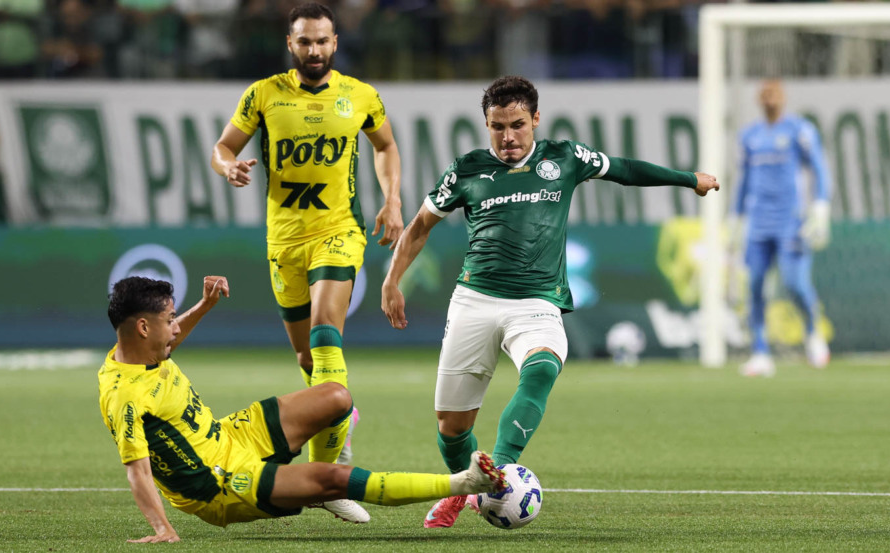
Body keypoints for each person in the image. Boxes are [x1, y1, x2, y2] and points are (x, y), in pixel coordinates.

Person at [381, 75, 719, 528]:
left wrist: (688, 180)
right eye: (497, 127)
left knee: (542, 366)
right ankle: (463, 488)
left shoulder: (565, 158)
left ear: (535, 119)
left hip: (537, 302)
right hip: (474, 301)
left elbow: (624, 169)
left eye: (517, 125)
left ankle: (496, 473)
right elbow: (420, 226)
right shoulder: (466, 169)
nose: (507, 137)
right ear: (486, 125)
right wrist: (391, 281)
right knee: (451, 427)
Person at [98, 275, 505, 543]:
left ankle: (322, 490)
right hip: (218, 483)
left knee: (336, 397)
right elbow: (138, 470)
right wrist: (163, 528)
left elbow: (168, 344)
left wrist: (204, 305)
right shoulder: (123, 395)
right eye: (169, 319)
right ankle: (464, 484)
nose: (175, 327)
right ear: (143, 327)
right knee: (336, 477)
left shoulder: (140, 349)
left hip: (228, 435)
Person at [210, 1, 404, 521]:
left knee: (325, 332)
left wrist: (392, 199)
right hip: (283, 242)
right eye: (304, 41)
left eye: (322, 41)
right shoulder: (264, 94)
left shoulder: (359, 95)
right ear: (290, 45)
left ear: (335, 43)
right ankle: (342, 419)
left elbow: (385, 147)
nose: (314, 49)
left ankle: (332, 474)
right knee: (306, 361)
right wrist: (227, 167)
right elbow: (222, 146)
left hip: (338, 231)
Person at [732, 79, 831, 378]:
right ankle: (760, 352)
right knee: (755, 286)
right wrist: (735, 218)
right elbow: (744, 180)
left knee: (795, 284)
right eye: (765, 95)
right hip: (759, 223)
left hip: (791, 221)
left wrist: (820, 207)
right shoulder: (750, 136)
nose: (770, 100)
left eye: (774, 94)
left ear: (783, 98)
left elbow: (820, 168)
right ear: (759, 100)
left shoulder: (799, 131)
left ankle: (813, 333)